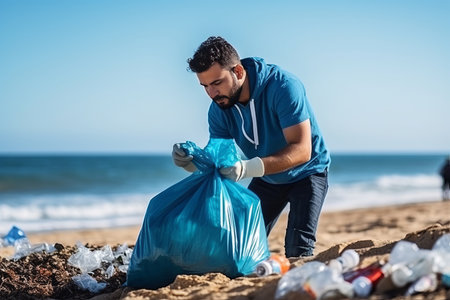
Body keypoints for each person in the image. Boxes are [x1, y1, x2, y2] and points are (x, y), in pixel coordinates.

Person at [172, 36, 330, 258]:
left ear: (237, 72)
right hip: (268, 178)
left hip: (307, 172)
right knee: (238, 246)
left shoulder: (284, 87)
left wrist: (246, 169)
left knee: (297, 250)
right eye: (205, 86)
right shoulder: (219, 108)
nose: (211, 93)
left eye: (216, 83)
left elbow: (302, 150)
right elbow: (220, 162)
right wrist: (191, 163)